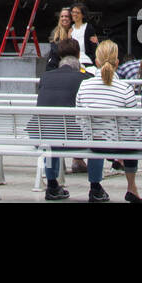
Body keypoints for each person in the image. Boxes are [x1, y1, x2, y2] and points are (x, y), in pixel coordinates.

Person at [76, 40, 142, 203]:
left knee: (95, 135)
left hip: (94, 143)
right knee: (130, 139)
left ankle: (95, 186)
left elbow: (79, 118)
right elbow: (135, 122)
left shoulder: (84, 86)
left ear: (96, 62)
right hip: (121, 145)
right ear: (117, 62)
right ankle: (131, 186)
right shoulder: (124, 88)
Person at [37, 38, 88, 199]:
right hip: (77, 139)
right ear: (79, 55)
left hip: (45, 137)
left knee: (51, 136)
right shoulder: (86, 78)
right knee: (96, 138)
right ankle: (96, 187)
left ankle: (52, 184)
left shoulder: (45, 77)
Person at [69, 3, 98, 69]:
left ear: (83, 15)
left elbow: (94, 47)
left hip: (86, 60)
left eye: (77, 13)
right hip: (73, 61)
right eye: (73, 12)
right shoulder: (70, 28)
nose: (74, 14)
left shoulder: (88, 28)